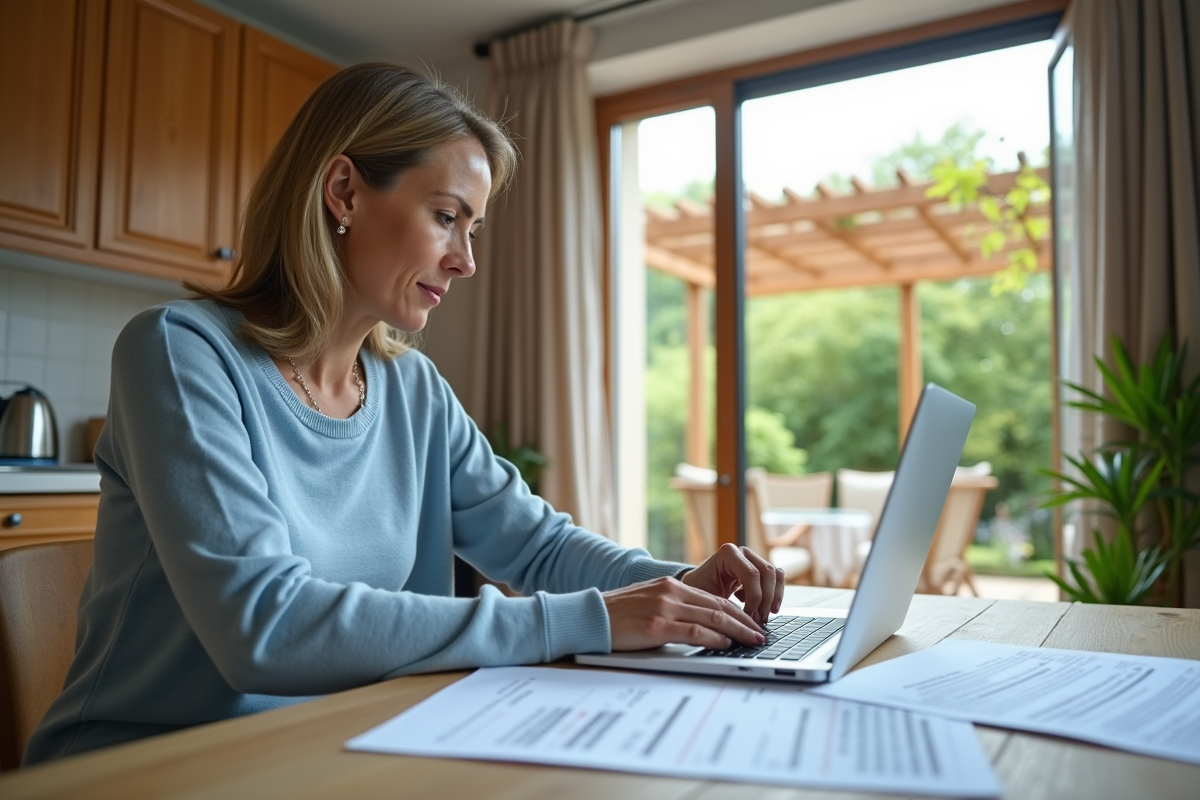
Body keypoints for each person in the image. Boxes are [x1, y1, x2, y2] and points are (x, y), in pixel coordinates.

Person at [24, 63, 783, 765]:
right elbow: (265, 627)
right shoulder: (179, 353)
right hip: (148, 765)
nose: (466, 260)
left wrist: (682, 590)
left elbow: (538, 547)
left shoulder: (411, 388)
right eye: (447, 216)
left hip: (335, 748)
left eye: (472, 228)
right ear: (344, 192)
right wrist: (588, 619)